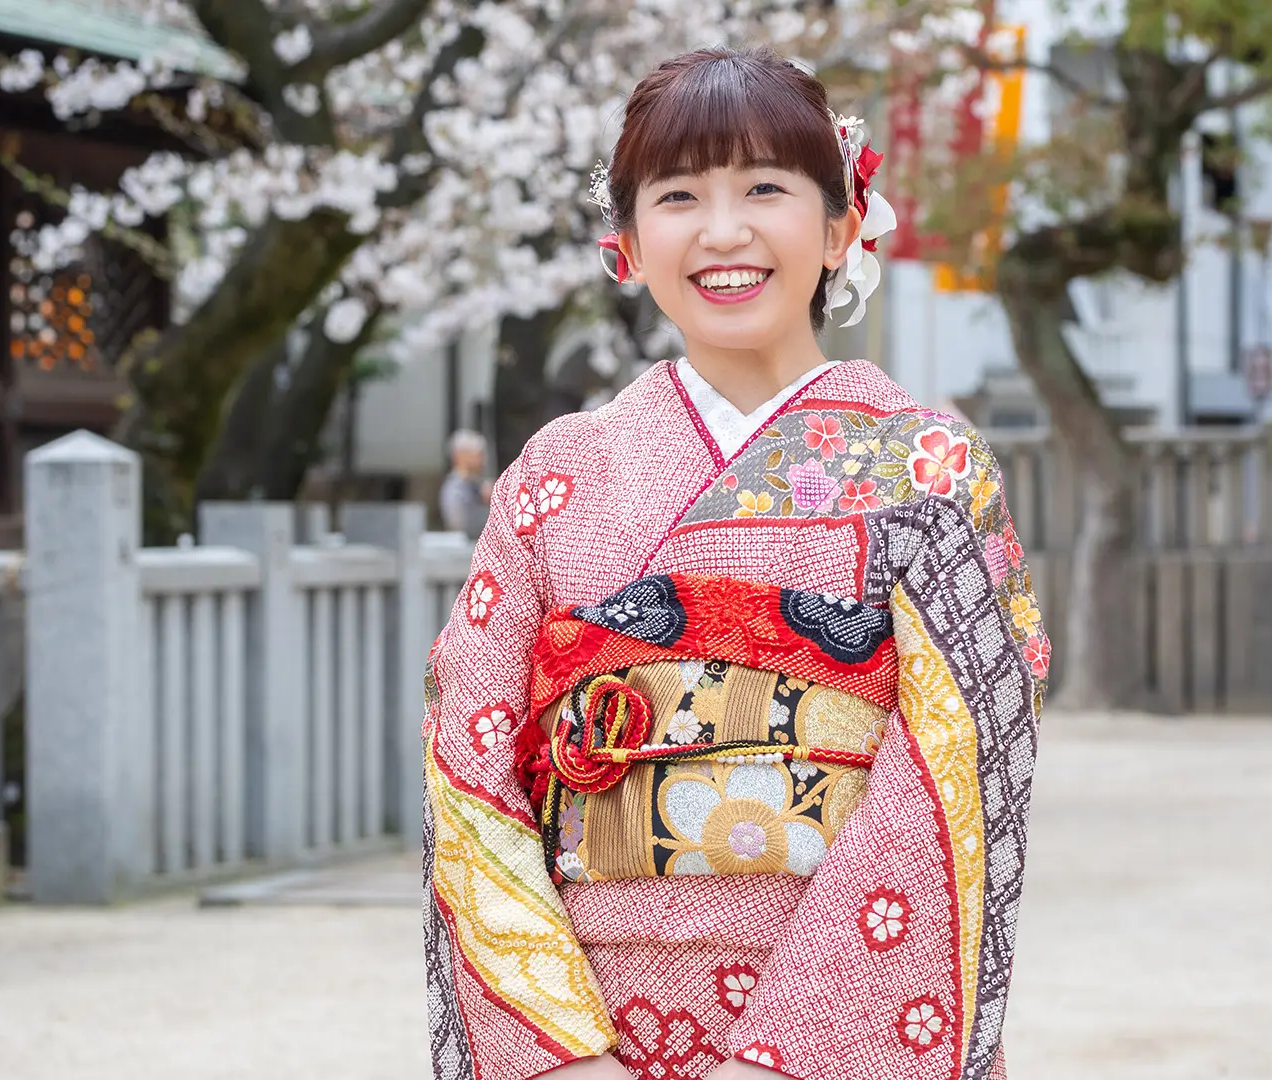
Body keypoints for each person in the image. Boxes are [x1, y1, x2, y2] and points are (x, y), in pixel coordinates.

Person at [422, 46, 1044, 1080]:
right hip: (590, 1018)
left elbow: (961, 761)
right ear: (624, 242)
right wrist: (560, 1053)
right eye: (677, 196)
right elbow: (468, 756)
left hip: (834, 996)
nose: (724, 231)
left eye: (765, 187)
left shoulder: (926, 464)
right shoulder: (554, 473)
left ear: (842, 225)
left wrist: (787, 1056)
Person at [439, 429, 495, 538]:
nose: (483, 460)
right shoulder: (455, 489)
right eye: (478, 454)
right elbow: (458, 523)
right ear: (460, 456)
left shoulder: (476, 485)